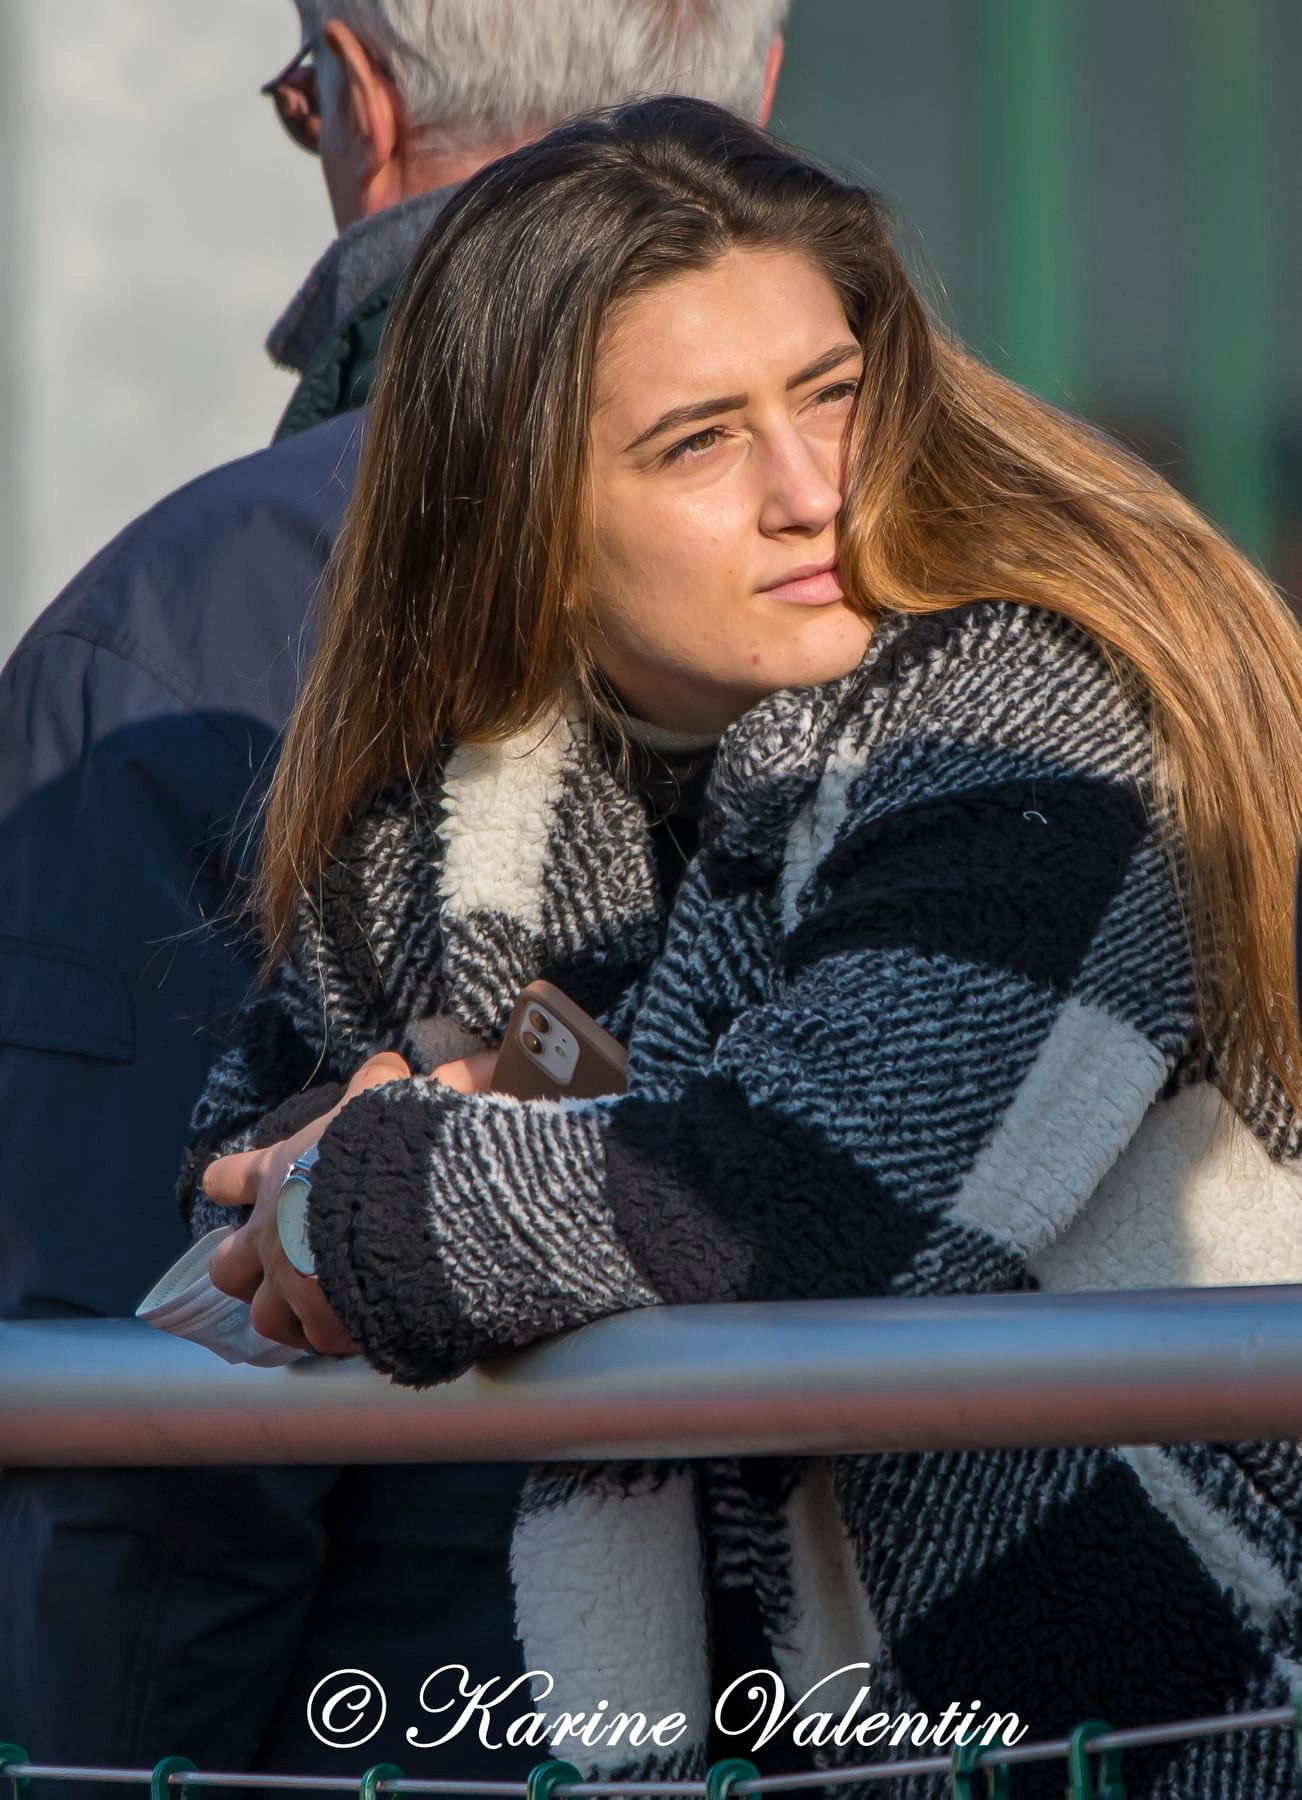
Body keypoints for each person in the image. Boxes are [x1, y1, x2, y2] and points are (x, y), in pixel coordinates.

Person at [189, 99, 1302, 1798]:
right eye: (695, 442)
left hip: (1172, 1714)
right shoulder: (467, 811)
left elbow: (808, 1206)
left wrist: (413, 1178)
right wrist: (398, 1157)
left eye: (832, 394)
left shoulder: (1031, 710)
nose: (808, 493)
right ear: (522, 513)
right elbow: (225, 1206)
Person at [0, 6, 787, 1791]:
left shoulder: (187, 612)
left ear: (351, 95)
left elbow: (166, 1413)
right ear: (757, 80)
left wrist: (114, 1773)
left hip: (412, 1723)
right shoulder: (1040, 570)